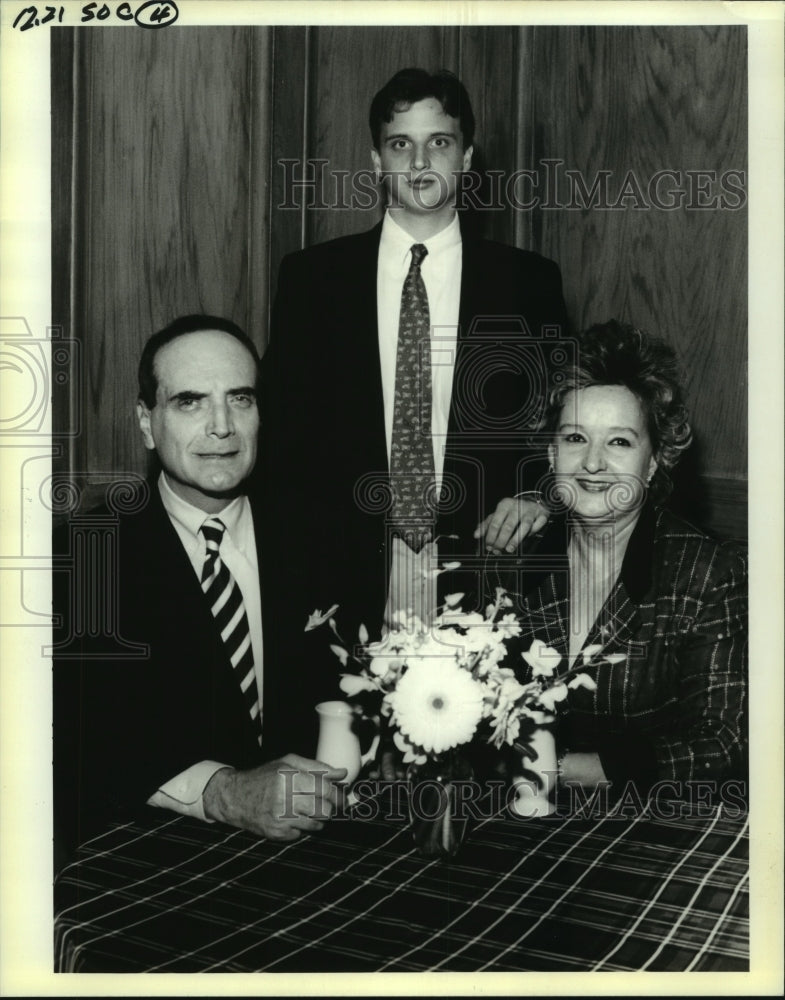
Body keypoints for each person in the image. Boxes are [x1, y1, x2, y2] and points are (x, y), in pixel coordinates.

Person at [260, 67, 570, 644]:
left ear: (467, 158)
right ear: (377, 161)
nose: (420, 162)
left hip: (486, 569)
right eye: (401, 144)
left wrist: (538, 493)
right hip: (340, 574)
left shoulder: (528, 281)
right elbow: (283, 434)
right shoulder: (312, 278)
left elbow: (562, 414)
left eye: (440, 143)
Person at [53, 316, 345, 870]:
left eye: (240, 399)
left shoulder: (321, 535)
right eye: (190, 401)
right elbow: (82, 736)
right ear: (146, 422)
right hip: (152, 866)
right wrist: (223, 793)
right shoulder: (88, 554)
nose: (221, 426)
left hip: (318, 853)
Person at [495, 320, 747, 799]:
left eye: (619, 442)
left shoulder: (708, 574)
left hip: (648, 825)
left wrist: (558, 767)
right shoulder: (514, 557)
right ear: (551, 453)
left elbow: (724, 743)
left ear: (654, 462)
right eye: (574, 438)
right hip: (511, 819)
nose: (592, 463)